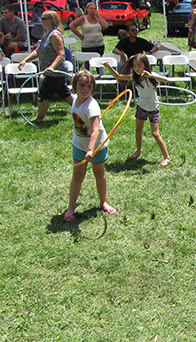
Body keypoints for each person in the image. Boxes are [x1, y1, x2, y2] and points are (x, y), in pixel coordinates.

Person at [64, 70, 116, 222]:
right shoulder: (74, 99)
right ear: (75, 86)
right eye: (81, 85)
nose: (85, 89)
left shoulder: (91, 106)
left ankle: (103, 202)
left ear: (93, 87)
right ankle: (71, 207)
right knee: (78, 176)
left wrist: (90, 150)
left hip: (97, 146)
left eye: (89, 86)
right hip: (79, 144)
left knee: (99, 173)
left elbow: (96, 130)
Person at [103, 53, 172, 167]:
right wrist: (108, 67)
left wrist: (150, 76)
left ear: (145, 65)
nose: (136, 68)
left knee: (155, 133)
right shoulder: (134, 77)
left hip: (153, 108)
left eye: (139, 66)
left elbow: (166, 80)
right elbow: (118, 77)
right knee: (138, 130)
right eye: (134, 66)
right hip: (141, 106)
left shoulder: (151, 76)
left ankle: (167, 158)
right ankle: (138, 150)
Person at [18, 11, 72, 125]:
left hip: (56, 72)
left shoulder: (54, 35)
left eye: (44, 18)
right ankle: (83, 109)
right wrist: (24, 60)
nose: (41, 20)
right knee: (65, 94)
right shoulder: (46, 34)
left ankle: (39, 119)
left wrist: (52, 67)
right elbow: (38, 51)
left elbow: (61, 54)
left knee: (43, 96)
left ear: (51, 20)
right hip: (50, 72)